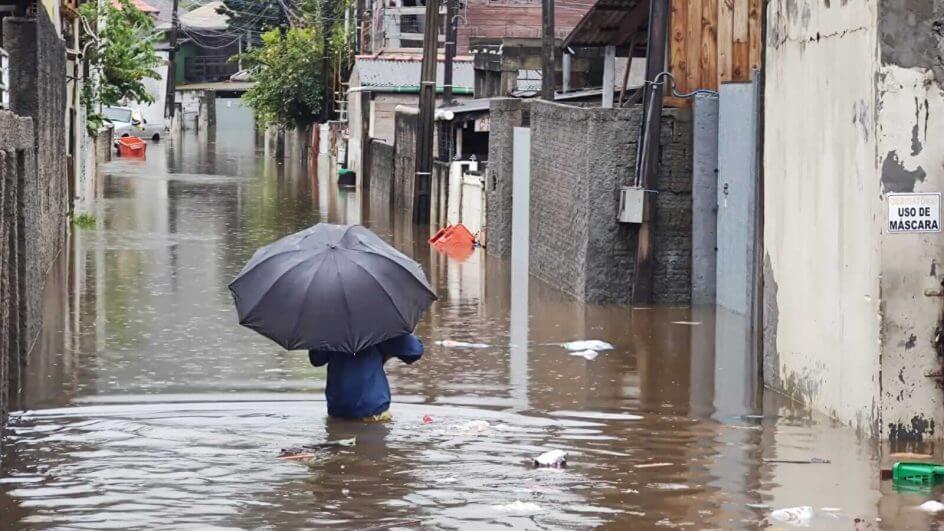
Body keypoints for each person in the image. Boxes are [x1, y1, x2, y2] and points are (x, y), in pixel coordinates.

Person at [309, 333, 423, 422]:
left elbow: (317, 359)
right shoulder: (379, 325)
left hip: (338, 408)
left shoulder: (330, 325)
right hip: (373, 408)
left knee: (338, 442)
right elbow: (414, 351)